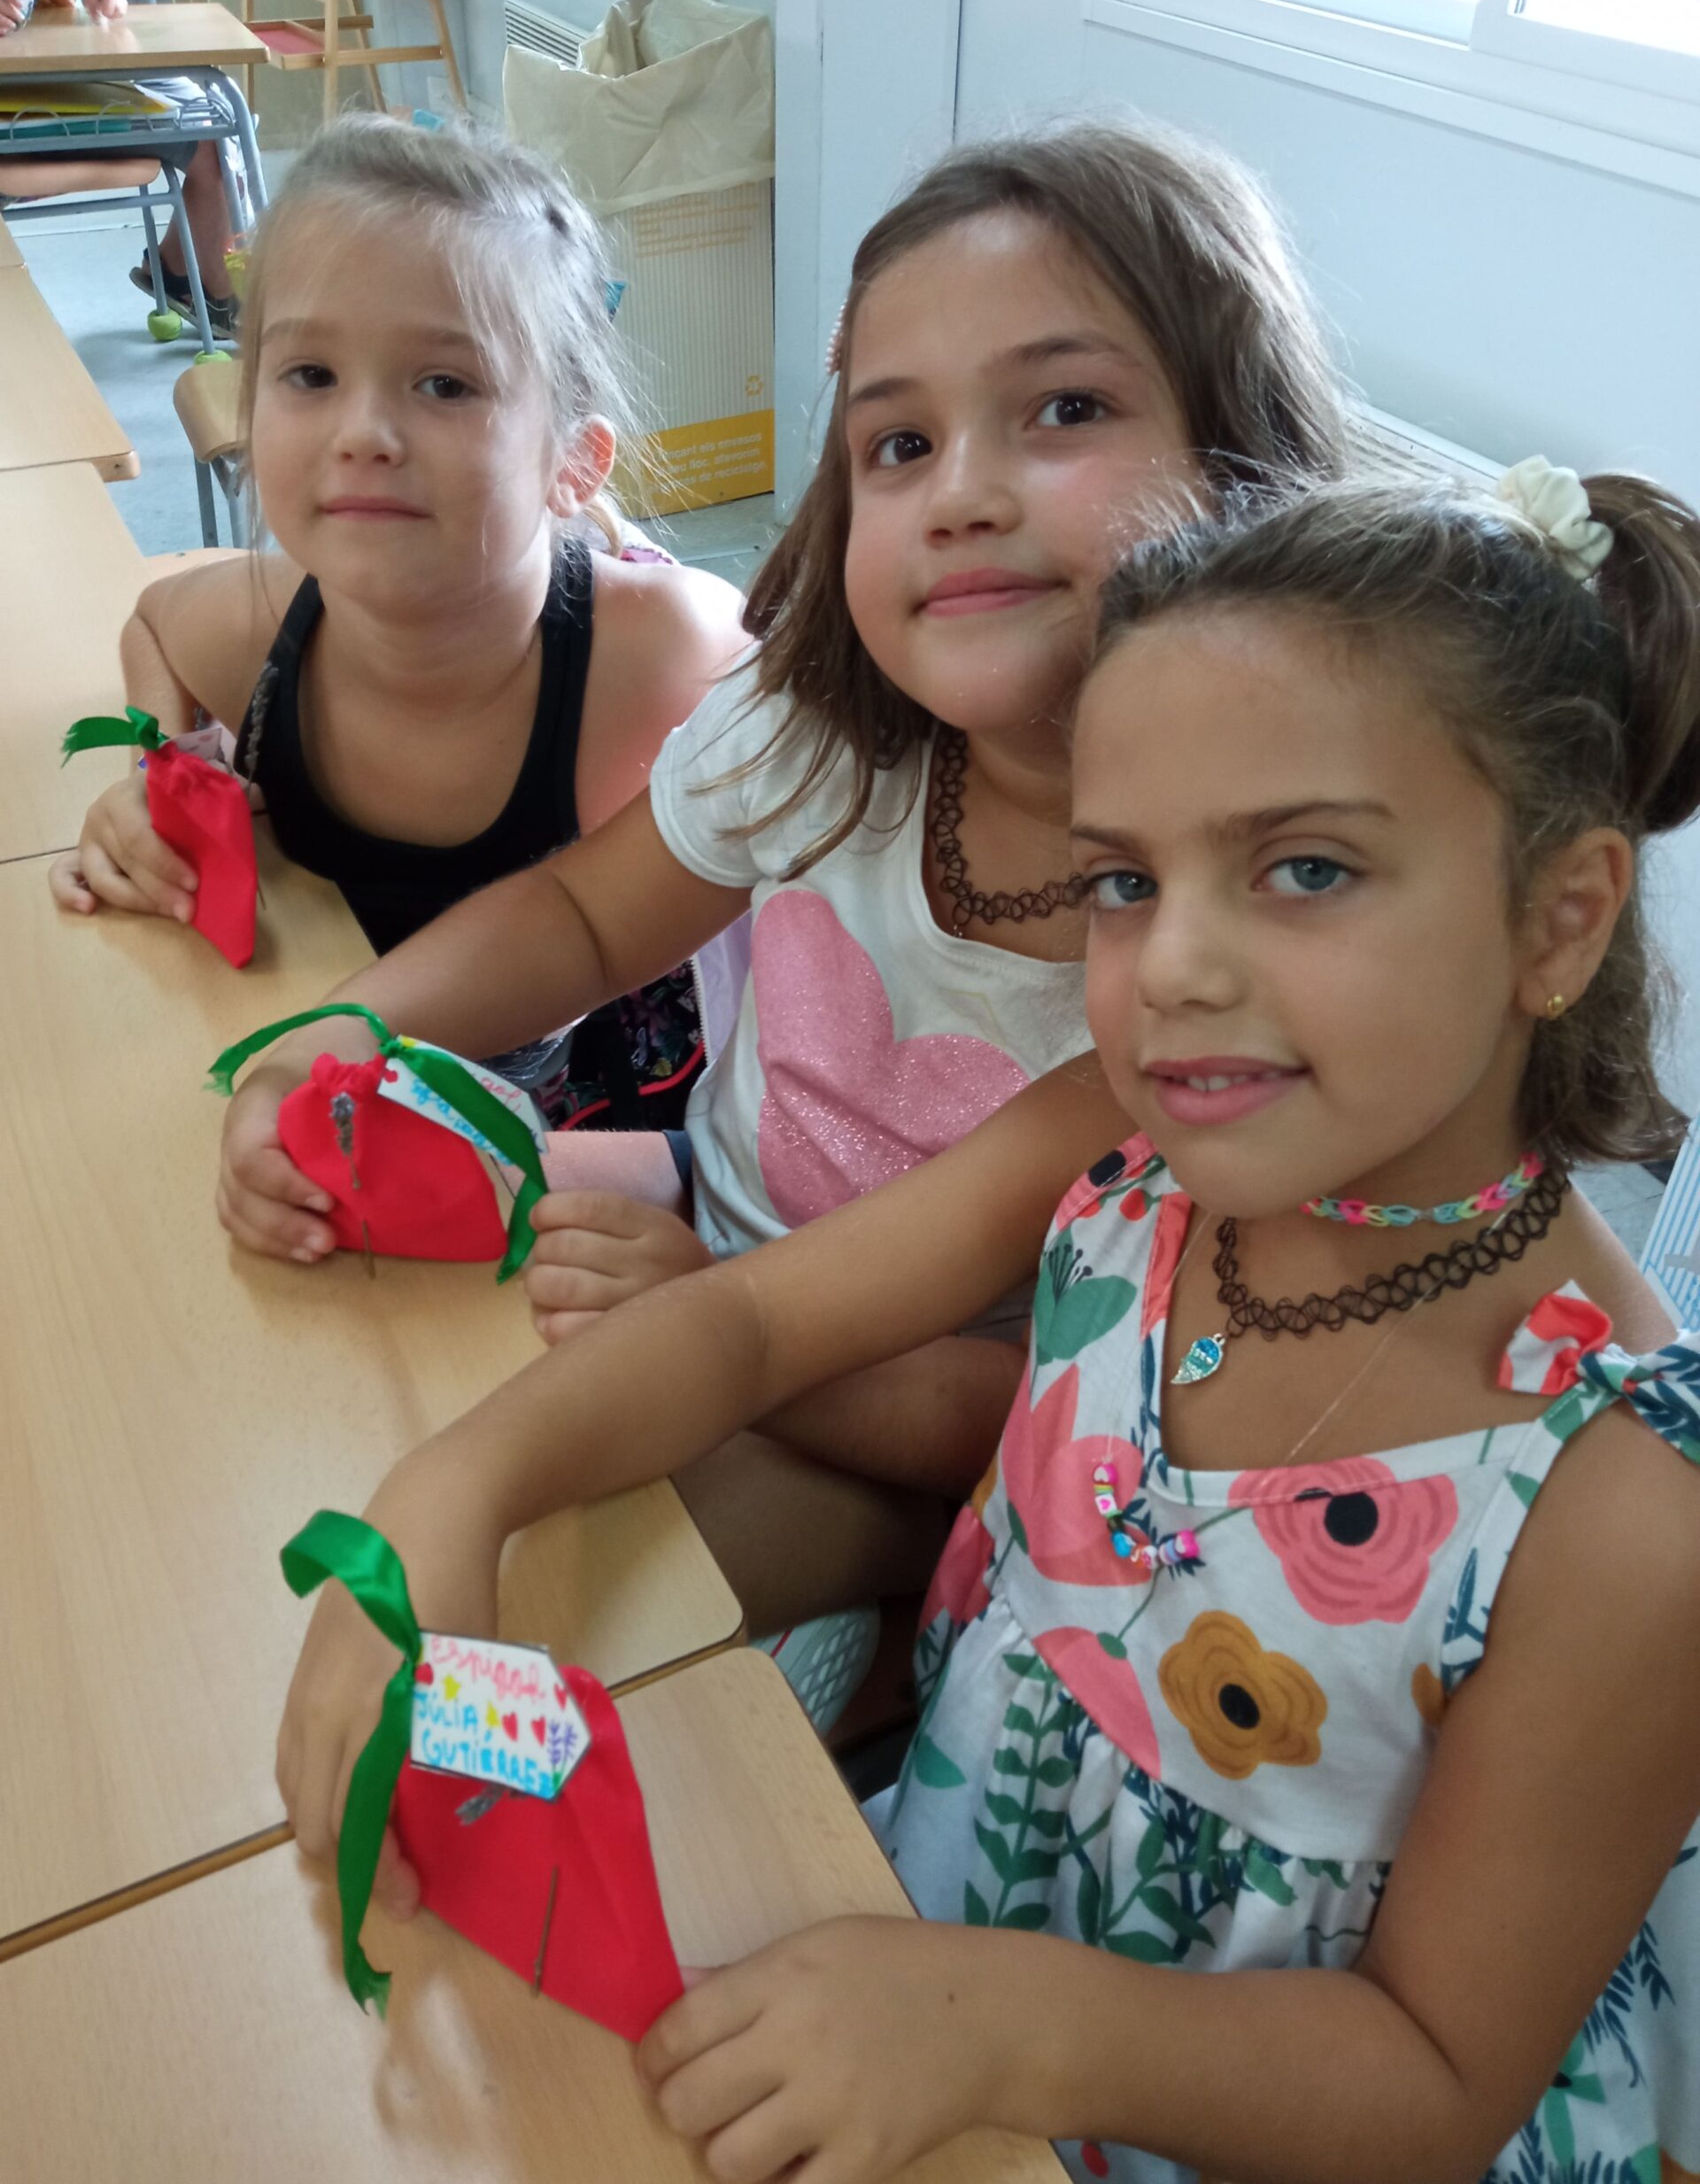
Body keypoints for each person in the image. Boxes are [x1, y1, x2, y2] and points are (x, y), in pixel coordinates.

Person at [277, 458, 1700, 2183]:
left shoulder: (1631, 1501)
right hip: (940, 1952)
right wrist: (448, 1497)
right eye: (1126, 881)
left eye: (1307, 868)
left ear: (1560, 919)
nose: (1173, 969)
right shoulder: (1121, 1140)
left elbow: (1434, 2074)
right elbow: (745, 1330)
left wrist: (1006, 2027)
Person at [212, 116, 1352, 1633]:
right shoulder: (819, 737)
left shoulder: (1227, 956)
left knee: (570, 1601)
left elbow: (1073, 1415)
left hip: (955, 1437)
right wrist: (333, 1036)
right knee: (321, 1366)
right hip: (696, 1251)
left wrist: (702, 1315)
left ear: (1247, 467)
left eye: (1065, 408)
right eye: (900, 444)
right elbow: (577, 916)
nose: (960, 494)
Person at [50, 112, 746, 1139]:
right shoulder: (262, 627)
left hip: (599, 1128)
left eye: (445, 384)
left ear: (574, 462)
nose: (364, 433)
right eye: (310, 375)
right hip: (313, 1071)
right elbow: (154, 623)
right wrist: (156, 770)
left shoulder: (661, 657)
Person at [0, 0, 241, 336]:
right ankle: (202, 285)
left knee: (217, 128)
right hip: (17, 99)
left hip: (86, 60)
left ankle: (190, 277)